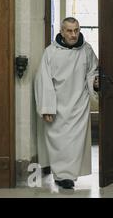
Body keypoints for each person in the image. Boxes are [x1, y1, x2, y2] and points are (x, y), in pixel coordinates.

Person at [34, 17, 99, 189]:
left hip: (79, 104)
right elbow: (43, 80)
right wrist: (47, 107)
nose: (73, 34)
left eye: (76, 30)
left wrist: (95, 82)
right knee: (60, 144)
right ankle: (60, 175)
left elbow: (93, 71)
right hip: (58, 105)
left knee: (75, 145)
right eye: (69, 31)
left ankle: (68, 177)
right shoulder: (50, 52)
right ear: (62, 32)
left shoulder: (87, 50)